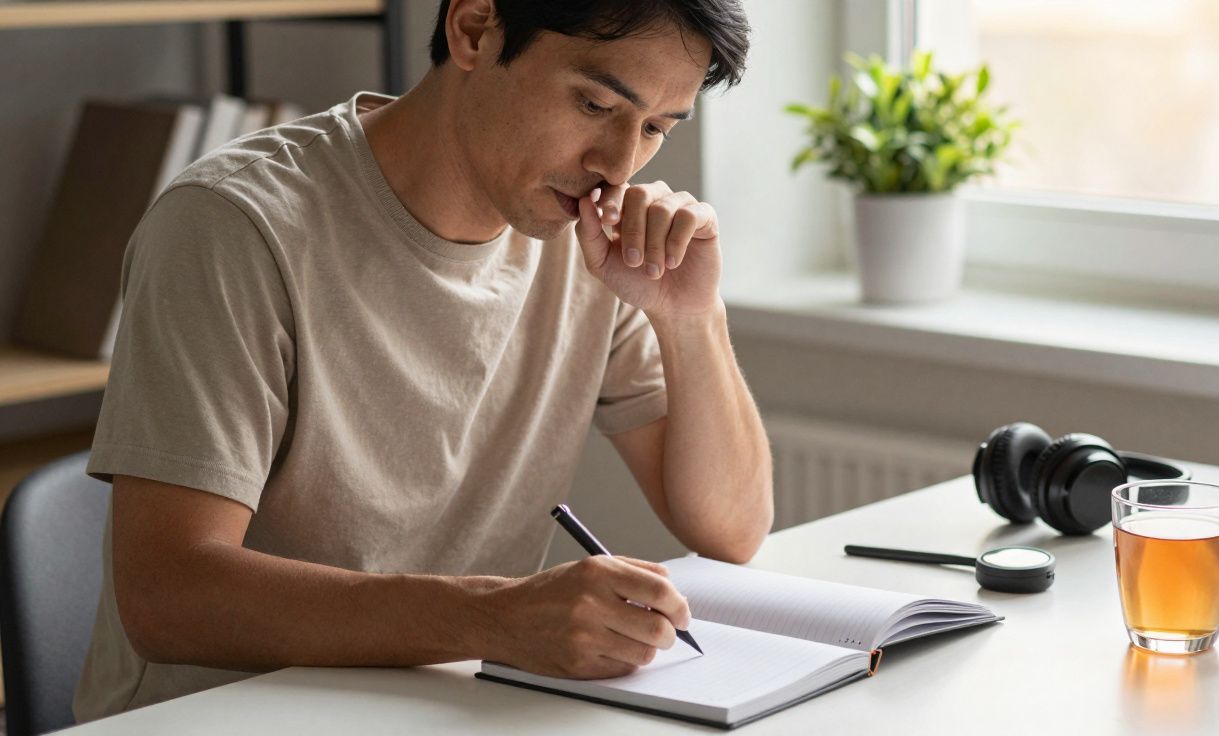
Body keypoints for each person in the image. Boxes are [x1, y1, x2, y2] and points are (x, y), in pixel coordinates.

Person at [73, 0, 771, 722]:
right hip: (223, 717)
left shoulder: (587, 236)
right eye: (595, 103)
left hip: (435, 707)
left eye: (656, 127)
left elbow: (730, 529)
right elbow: (167, 597)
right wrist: (494, 616)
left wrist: (691, 319)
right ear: (472, 30)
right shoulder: (233, 226)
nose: (617, 166)